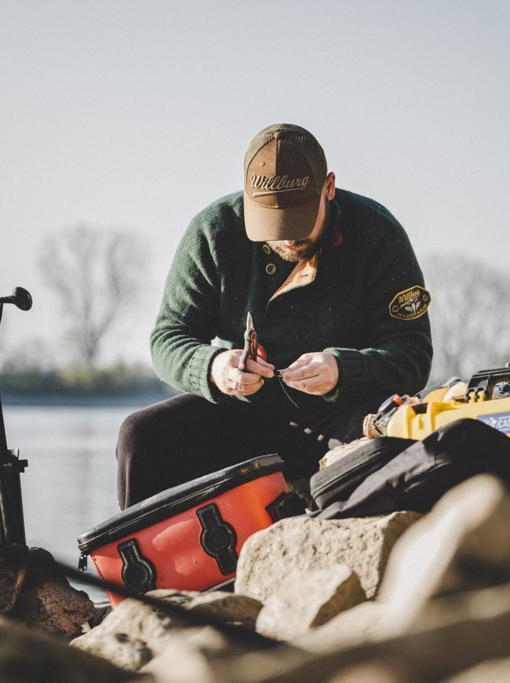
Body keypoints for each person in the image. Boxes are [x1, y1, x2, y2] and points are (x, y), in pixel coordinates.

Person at [115, 123, 432, 509]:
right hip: (240, 413)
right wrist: (214, 367)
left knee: (393, 437)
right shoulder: (213, 231)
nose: (288, 237)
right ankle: (139, 549)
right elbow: (168, 337)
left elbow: (413, 354)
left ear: (329, 188)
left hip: (343, 413)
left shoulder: (377, 233)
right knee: (140, 435)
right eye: (272, 223)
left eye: (299, 219)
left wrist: (343, 370)